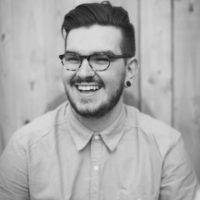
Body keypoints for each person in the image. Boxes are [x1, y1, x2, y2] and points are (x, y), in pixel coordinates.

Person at [0, 1, 200, 200]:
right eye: (73, 58)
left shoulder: (167, 149)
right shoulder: (24, 149)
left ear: (129, 70)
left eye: (101, 59)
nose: (84, 73)